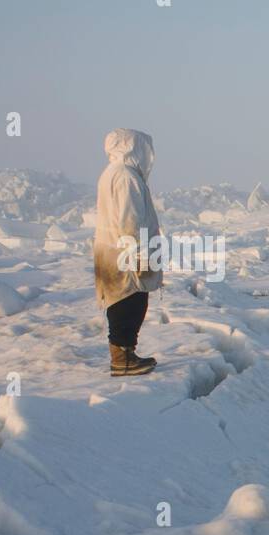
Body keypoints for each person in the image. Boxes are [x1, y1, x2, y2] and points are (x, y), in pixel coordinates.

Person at [93, 128, 162, 376]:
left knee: (123, 299)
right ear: (133, 148)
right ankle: (122, 359)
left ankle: (124, 354)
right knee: (130, 301)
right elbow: (130, 219)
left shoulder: (112, 173)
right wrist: (140, 254)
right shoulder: (125, 176)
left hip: (115, 249)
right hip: (126, 251)